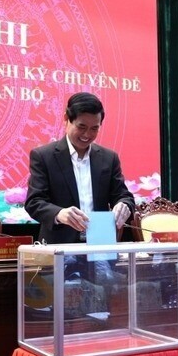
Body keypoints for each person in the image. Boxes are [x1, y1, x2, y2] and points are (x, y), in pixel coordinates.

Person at [25, 92, 135, 245]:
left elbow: (123, 195)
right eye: (81, 127)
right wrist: (59, 213)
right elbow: (34, 202)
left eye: (94, 129)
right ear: (66, 119)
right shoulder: (44, 156)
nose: (87, 134)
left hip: (100, 245)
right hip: (59, 246)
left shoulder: (109, 158)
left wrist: (124, 205)